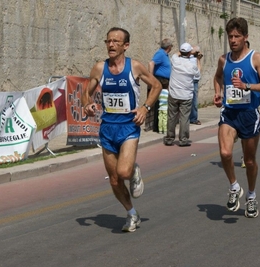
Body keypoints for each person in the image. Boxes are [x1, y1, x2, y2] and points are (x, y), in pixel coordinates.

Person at [82, 27, 162, 232]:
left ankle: (134, 169)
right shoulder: (100, 68)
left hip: (128, 127)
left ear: (126, 45)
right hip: (107, 129)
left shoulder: (134, 66)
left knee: (123, 171)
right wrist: (87, 104)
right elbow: (86, 91)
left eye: (116, 41)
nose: (111, 45)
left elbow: (156, 85)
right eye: (108, 41)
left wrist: (145, 107)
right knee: (115, 180)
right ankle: (131, 214)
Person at [213, 17, 260, 218]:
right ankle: (234, 187)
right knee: (225, 153)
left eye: (237, 36)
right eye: (230, 36)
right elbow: (218, 76)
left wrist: (247, 86)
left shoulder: (256, 58)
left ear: (245, 37)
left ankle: (251, 195)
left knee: (249, 160)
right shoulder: (224, 59)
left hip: (249, 114)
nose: (233, 40)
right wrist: (217, 92)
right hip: (229, 112)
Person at [164, 42, 201, 147]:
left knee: (171, 116)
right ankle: (183, 139)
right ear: (189, 53)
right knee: (184, 118)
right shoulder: (192, 65)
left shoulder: (175, 60)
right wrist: (197, 58)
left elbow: (176, 53)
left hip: (174, 93)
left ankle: (169, 138)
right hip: (186, 95)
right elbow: (198, 74)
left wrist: (187, 51)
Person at [147, 39, 173, 133]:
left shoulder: (164, 54)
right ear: (169, 47)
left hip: (164, 81)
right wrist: (151, 78)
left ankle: (161, 125)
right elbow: (151, 63)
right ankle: (158, 126)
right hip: (160, 80)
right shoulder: (160, 54)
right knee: (160, 103)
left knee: (162, 103)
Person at [189, 45, 203, 125]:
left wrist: (198, 59)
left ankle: (193, 118)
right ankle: (191, 118)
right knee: (190, 100)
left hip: (195, 80)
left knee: (194, 100)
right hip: (190, 80)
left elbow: (199, 71)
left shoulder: (195, 59)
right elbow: (198, 71)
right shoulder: (188, 58)